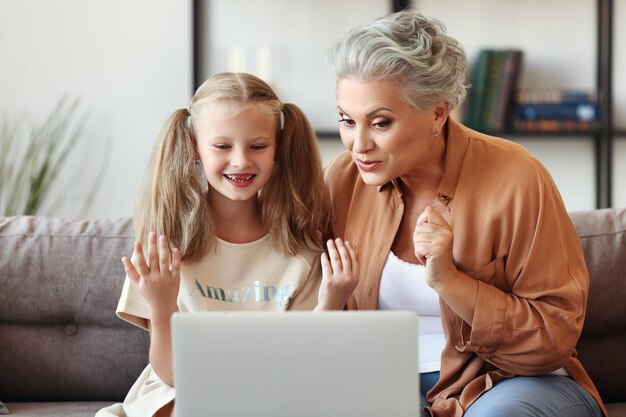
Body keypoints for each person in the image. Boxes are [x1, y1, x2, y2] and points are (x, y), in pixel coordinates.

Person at [324, 10, 606, 417]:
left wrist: (450, 281)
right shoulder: (341, 180)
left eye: (380, 123)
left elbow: (554, 333)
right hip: (386, 384)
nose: (358, 144)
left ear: (438, 113)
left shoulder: (517, 178)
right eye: (347, 121)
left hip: (513, 382)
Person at [96, 72, 359, 417]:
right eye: (222, 146)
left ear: (278, 146)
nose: (240, 161)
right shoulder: (166, 245)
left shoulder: (303, 248)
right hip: (183, 390)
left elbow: (303, 369)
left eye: (258, 146)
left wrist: (332, 302)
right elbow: (174, 375)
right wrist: (161, 306)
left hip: (275, 391)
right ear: (193, 146)